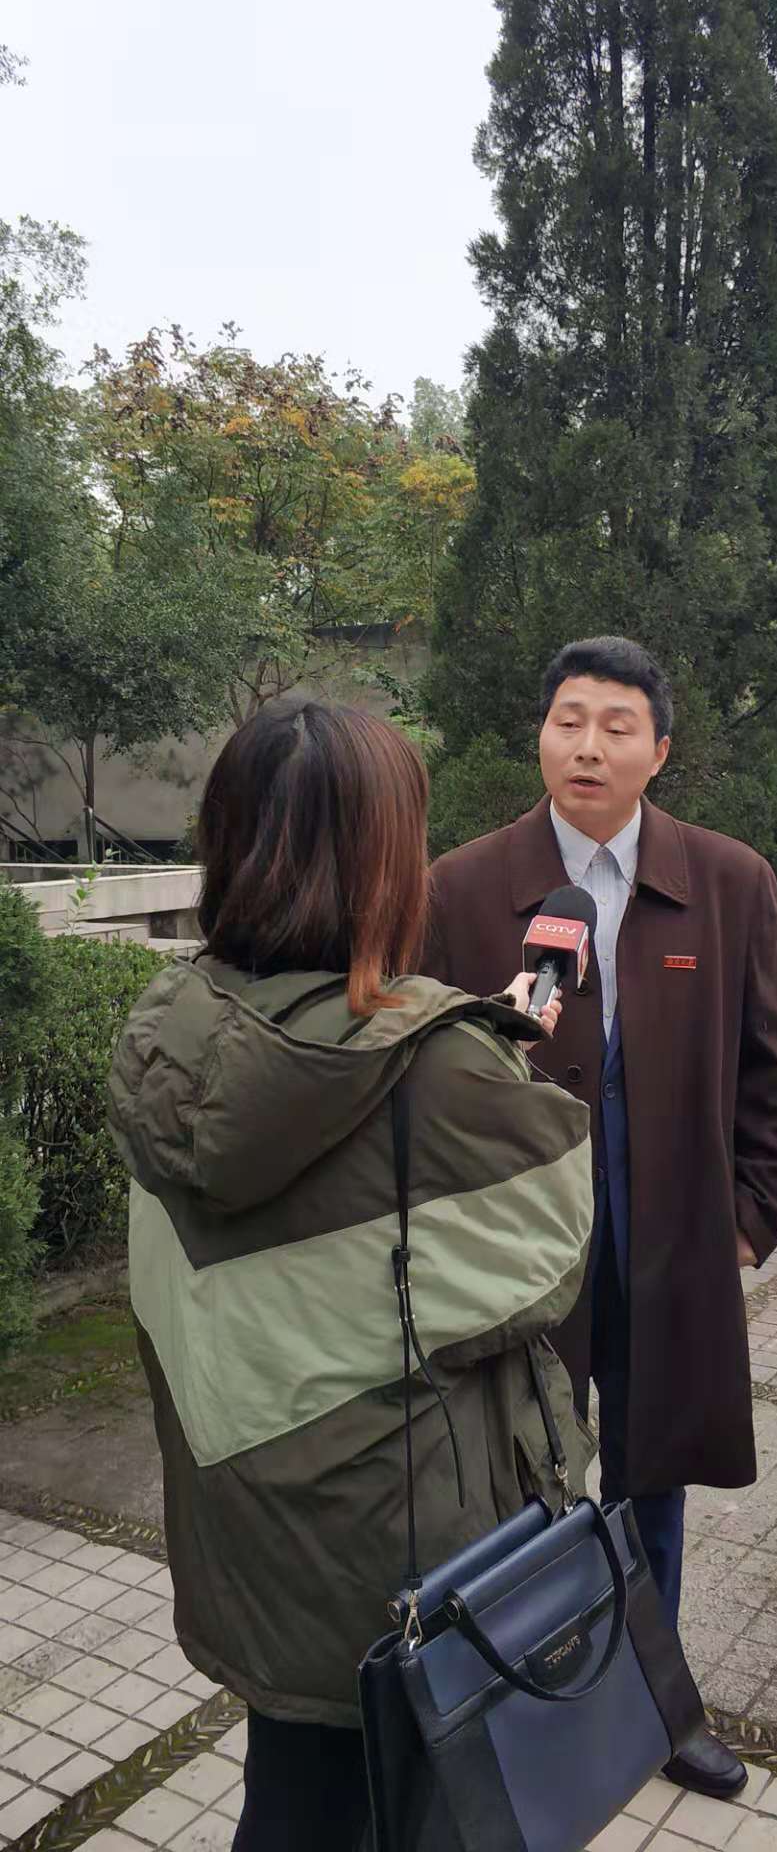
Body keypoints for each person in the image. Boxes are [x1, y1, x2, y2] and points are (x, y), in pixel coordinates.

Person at [107, 699, 595, 1852]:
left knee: (291, 1798)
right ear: (388, 864)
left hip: (253, 1543)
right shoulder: (443, 1071)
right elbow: (550, 1258)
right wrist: (484, 1053)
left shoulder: (175, 1027)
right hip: (401, 1569)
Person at [423, 636, 777, 1804]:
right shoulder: (462, 889)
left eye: (617, 726)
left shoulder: (728, 882)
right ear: (540, 734)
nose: (587, 746)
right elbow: (424, 1078)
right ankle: (526, 1715)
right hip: (520, 1257)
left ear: (660, 751)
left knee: (653, 1482)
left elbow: (774, 1071)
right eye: (568, 720)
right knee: (520, 1490)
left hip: (670, 1245)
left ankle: (658, 1710)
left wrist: (748, 1219)